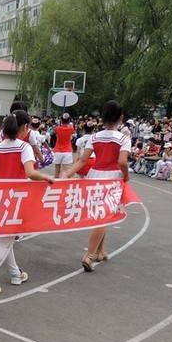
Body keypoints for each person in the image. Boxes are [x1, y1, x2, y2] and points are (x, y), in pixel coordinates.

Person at [0, 110, 54, 295]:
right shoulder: (23, 147)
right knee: (6, 240)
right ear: (24, 128)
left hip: (1, 197)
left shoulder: (0, 147)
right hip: (18, 198)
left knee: (6, 238)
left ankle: (15, 273)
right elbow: (30, 172)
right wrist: (46, 178)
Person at [63, 100, 130, 272]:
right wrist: (126, 175)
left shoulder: (95, 137)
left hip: (94, 176)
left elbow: (82, 160)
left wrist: (66, 174)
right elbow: (122, 161)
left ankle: (100, 250)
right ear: (120, 118)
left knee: (101, 213)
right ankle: (90, 254)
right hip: (112, 178)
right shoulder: (123, 138)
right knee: (104, 216)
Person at [52, 113, 75, 178]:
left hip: (58, 150)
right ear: (69, 120)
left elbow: (56, 135)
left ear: (61, 120)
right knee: (65, 170)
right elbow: (72, 134)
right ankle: (63, 185)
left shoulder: (57, 129)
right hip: (67, 151)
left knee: (57, 170)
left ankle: (55, 184)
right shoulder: (71, 129)